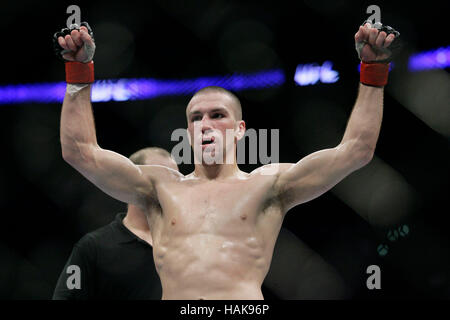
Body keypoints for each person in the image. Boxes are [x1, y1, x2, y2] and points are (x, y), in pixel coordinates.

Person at [55, 20, 398, 299]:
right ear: (188, 134)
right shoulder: (157, 186)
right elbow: (80, 152)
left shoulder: (269, 184)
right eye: (195, 118)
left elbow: (356, 150)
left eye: (217, 115)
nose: (205, 124)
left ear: (239, 130)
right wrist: (78, 71)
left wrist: (373, 70)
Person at [52, 147, 179, 300]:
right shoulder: (94, 248)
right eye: (156, 179)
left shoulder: (188, 242)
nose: (167, 188)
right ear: (132, 182)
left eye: (174, 180)